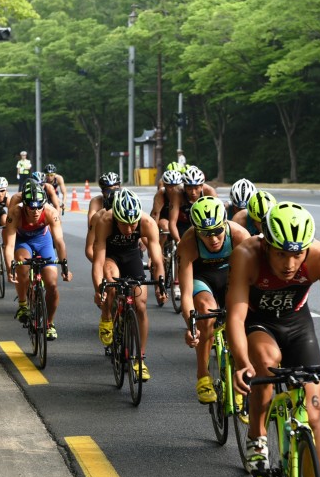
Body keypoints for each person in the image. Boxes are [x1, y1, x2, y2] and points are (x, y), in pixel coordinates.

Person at [227, 202, 320, 477]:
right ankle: (257, 434)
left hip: (298, 327)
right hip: (258, 324)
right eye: (282, 254)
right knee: (265, 368)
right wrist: (241, 365)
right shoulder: (247, 255)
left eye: (298, 255)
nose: (290, 263)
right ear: (266, 243)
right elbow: (235, 317)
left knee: (315, 414)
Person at [178, 196, 250, 403]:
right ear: (196, 230)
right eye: (206, 234)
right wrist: (192, 327)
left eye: (218, 231)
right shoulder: (189, 242)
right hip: (203, 280)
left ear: (225, 225)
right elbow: (185, 293)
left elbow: (251, 280)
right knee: (206, 311)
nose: (214, 239)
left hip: (231, 277)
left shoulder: (239, 235)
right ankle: (203, 375)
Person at [91, 189, 167, 380]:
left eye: (133, 223)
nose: (131, 229)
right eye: (125, 224)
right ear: (116, 218)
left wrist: (160, 286)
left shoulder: (147, 223)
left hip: (132, 256)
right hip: (111, 256)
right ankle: (107, 316)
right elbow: (98, 261)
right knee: (110, 282)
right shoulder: (105, 221)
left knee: (141, 305)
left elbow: (157, 260)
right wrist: (99, 289)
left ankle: (140, 359)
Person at [3, 184, 73, 341]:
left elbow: (59, 241)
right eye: (31, 208)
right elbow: (9, 246)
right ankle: (23, 304)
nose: (35, 212)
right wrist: (10, 268)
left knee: (52, 284)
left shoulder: (50, 212)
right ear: (25, 205)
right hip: (23, 241)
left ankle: (49, 323)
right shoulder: (15, 212)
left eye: (38, 208)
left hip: (43, 241)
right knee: (22, 264)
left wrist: (65, 266)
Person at [167, 165, 218, 243]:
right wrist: (178, 241)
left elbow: (218, 218)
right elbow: (172, 222)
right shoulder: (177, 193)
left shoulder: (210, 192)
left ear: (202, 186)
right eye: (189, 188)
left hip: (203, 223)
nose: (193, 192)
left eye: (196, 188)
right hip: (183, 224)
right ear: (184, 187)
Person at [85, 172, 122, 262]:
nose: (113, 193)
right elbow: (91, 224)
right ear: (102, 192)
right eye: (109, 190)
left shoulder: (127, 199)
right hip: (105, 236)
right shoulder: (96, 202)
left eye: (116, 189)